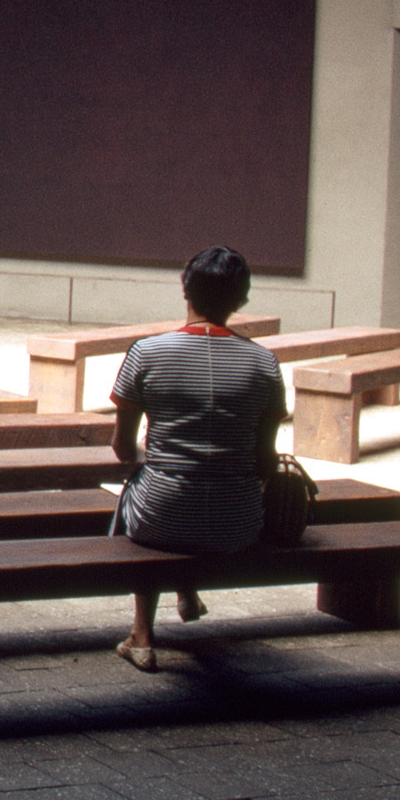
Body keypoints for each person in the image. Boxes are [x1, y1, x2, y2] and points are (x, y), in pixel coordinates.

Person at [106, 245, 286, 671]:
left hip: (161, 517)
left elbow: (122, 449)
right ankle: (187, 590)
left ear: (184, 290)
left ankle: (142, 636)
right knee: (201, 490)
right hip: (235, 523)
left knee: (149, 490)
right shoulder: (265, 364)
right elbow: (265, 461)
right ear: (242, 301)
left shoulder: (145, 353)